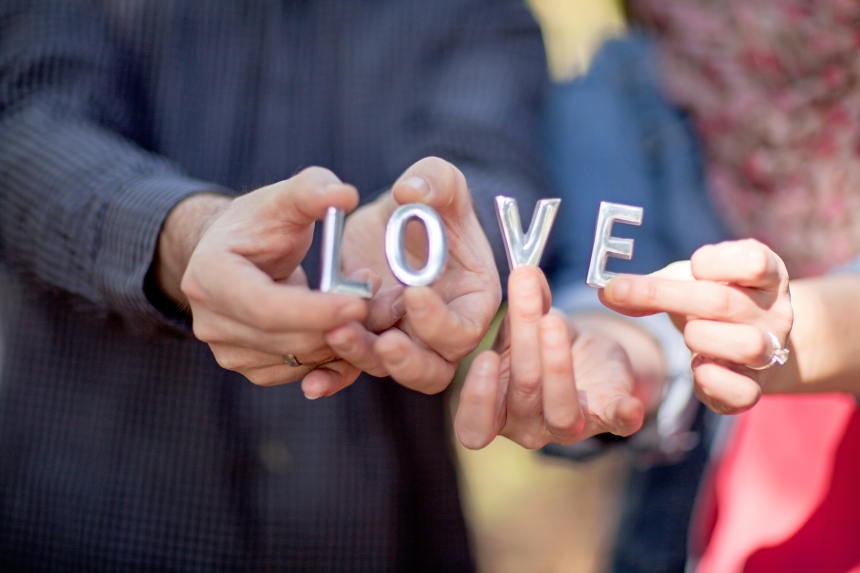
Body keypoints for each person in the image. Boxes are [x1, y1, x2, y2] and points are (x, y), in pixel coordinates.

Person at [0, 1, 547, 570]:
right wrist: (181, 234)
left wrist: (457, 230)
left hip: (379, 534)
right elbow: (24, 125)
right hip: (89, 522)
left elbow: (496, 158)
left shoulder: (478, 11)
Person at [458, 1, 860, 571]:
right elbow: (615, 285)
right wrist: (604, 354)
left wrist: (793, 334)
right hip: (697, 511)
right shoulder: (624, 80)